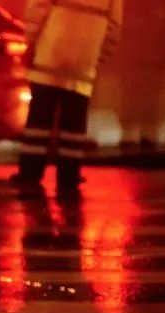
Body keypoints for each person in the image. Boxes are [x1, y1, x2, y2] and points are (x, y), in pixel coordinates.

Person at [13, 0, 124, 194]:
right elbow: (114, 25)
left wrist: (31, 41)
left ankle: (30, 172)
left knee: (40, 119)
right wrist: (98, 55)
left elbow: (38, 8)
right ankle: (69, 176)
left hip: (51, 52)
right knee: (74, 123)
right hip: (84, 59)